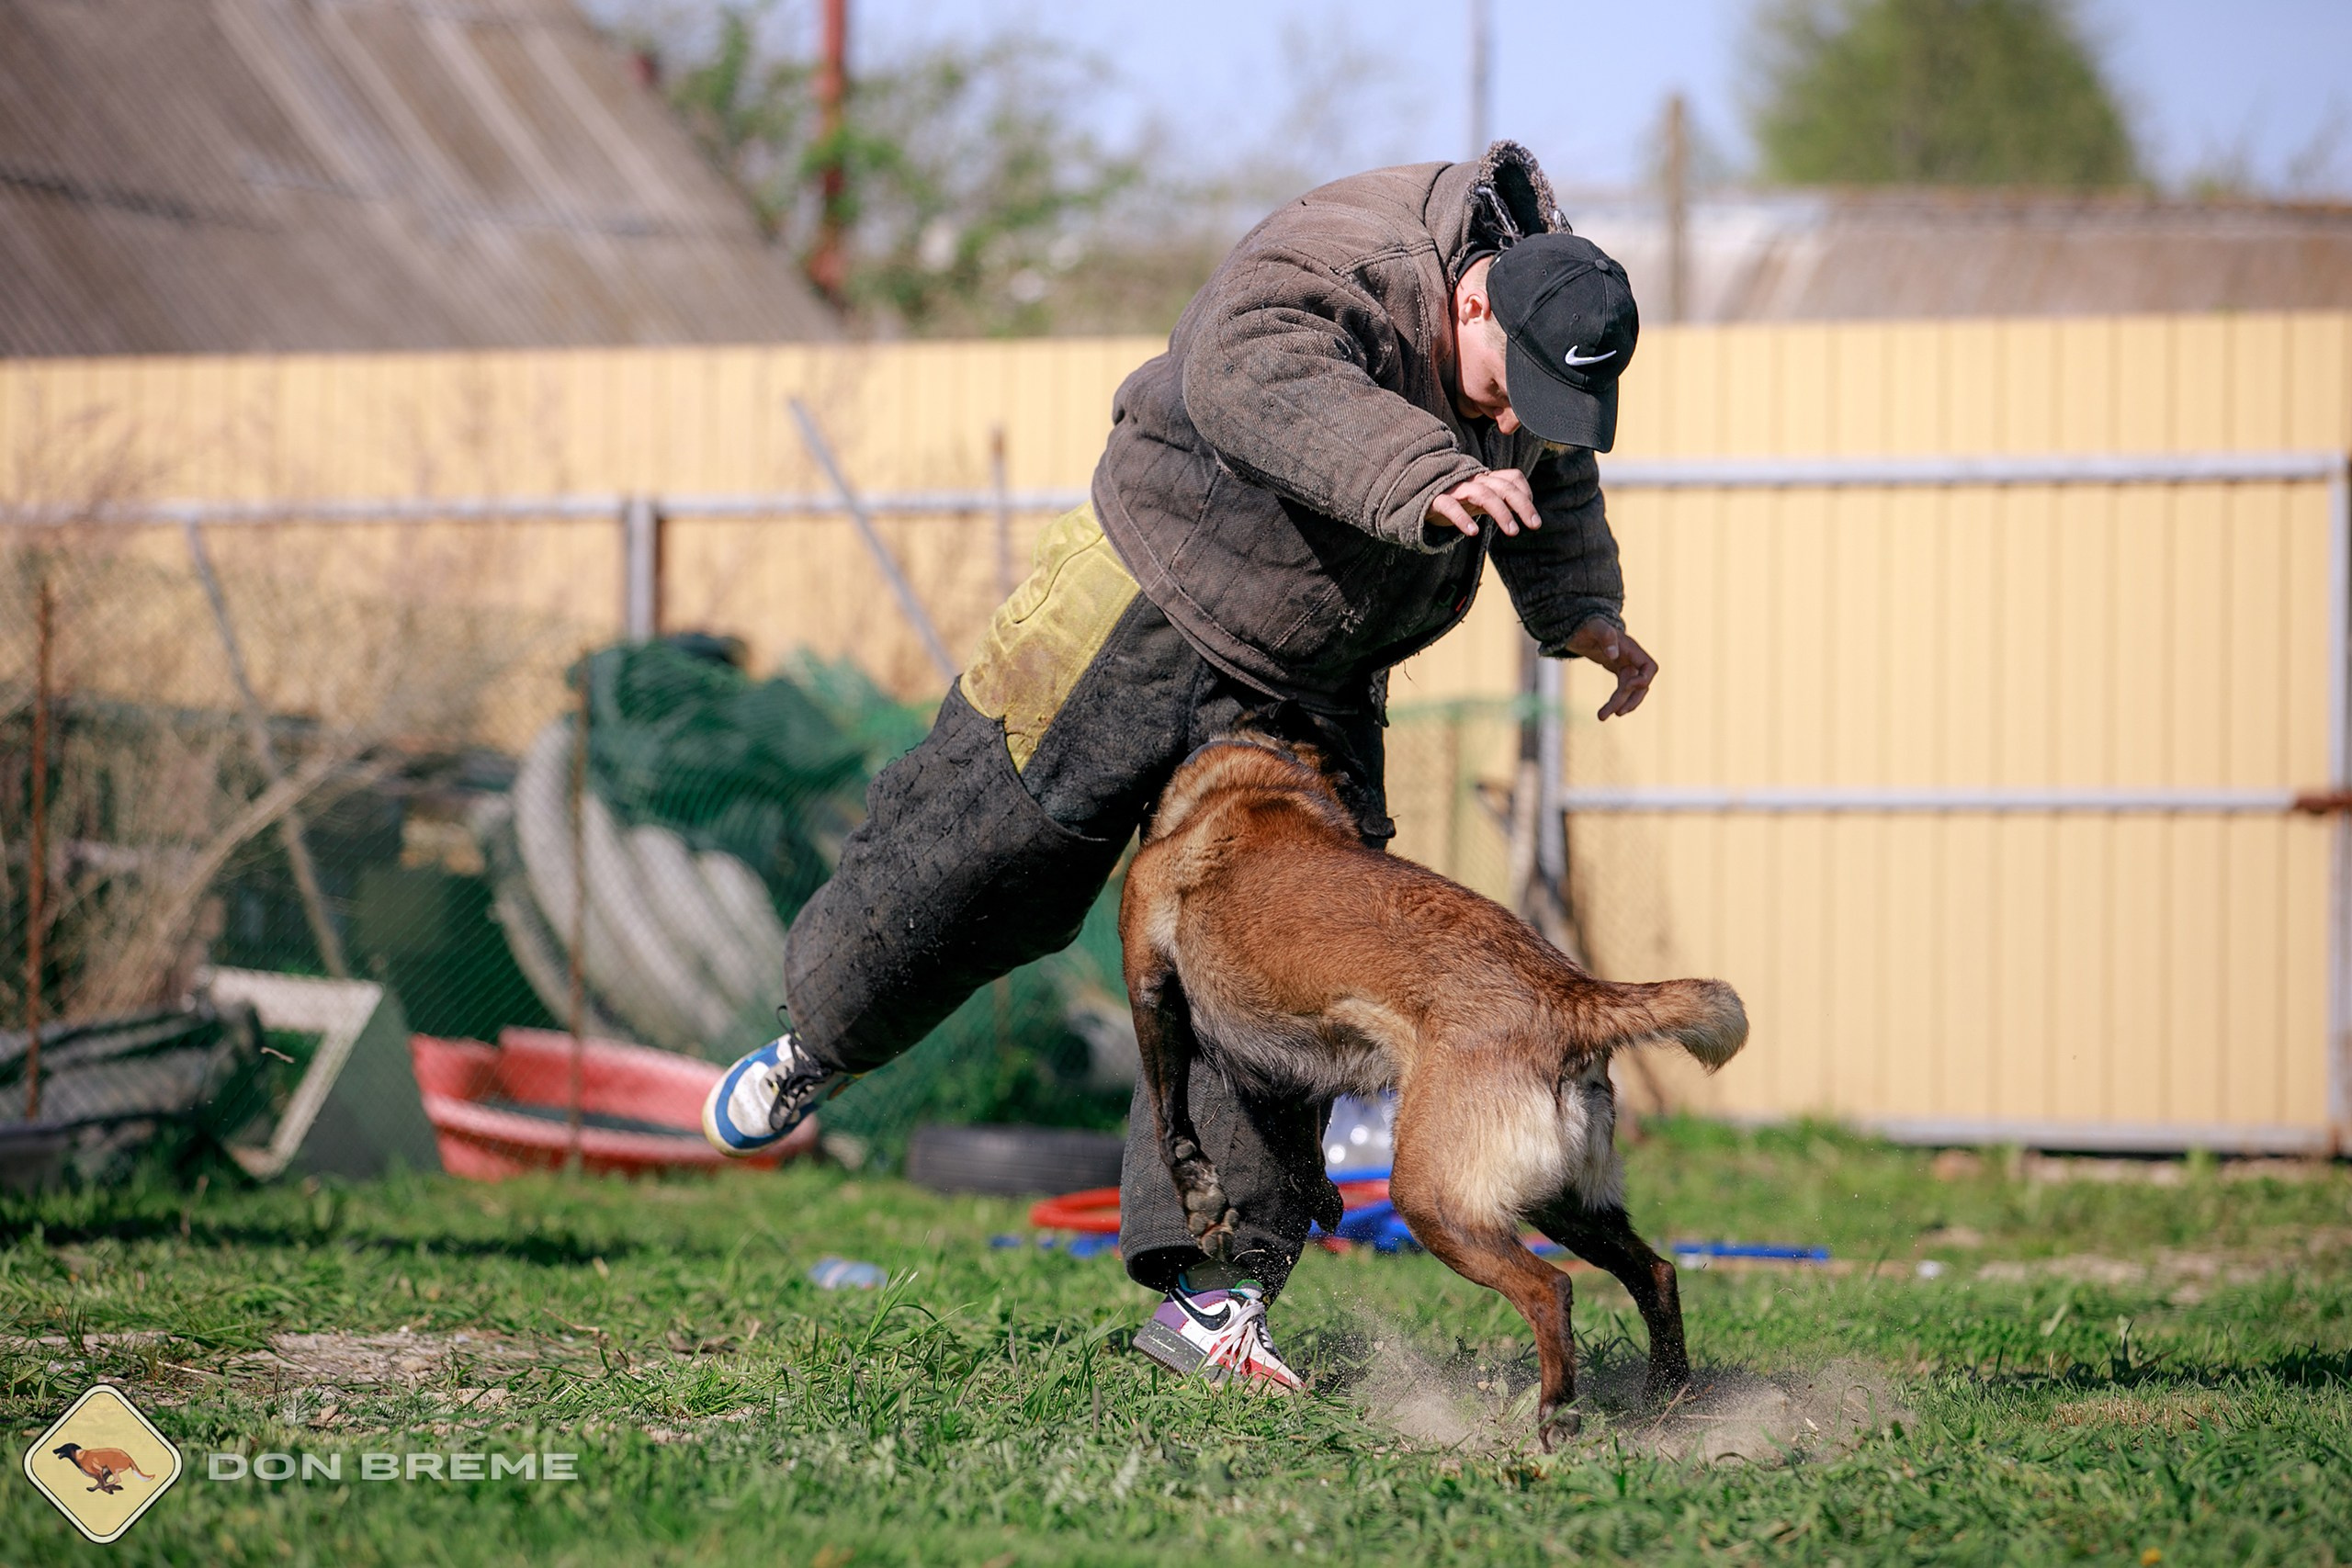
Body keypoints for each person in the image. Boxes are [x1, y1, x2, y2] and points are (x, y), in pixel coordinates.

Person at [704, 141, 1658, 1389]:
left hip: (1313, 672)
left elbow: (1557, 476)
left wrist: (1581, 610)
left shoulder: (1542, 324)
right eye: (1512, 391)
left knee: (1282, 953)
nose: (1520, 424)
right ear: (1474, 303)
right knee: (982, 843)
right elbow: (1247, 370)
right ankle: (822, 1038)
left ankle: (1216, 1297)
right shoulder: (1347, 262)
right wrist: (1427, 476)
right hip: (1150, 591)